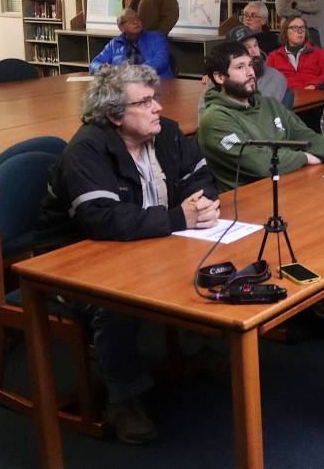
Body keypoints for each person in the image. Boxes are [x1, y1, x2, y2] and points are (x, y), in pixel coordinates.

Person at [34, 63, 220, 444]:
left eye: (156, 99)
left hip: (148, 242)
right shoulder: (87, 148)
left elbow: (201, 174)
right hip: (71, 259)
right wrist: (178, 218)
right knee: (114, 303)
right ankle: (122, 399)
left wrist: (200, 203)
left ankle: (188, 349)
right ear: (114, 115)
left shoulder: (165, 133)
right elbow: (102, 220)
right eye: (146, 102)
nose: (158, 109)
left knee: (216, 264)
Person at [198, 41, 324, 190]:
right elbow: (259, 163)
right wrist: (304, 158)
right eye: (240, 67)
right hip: (248, 202)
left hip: (289, 185)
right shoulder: (215, 119)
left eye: (250, 65)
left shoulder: (269, 104)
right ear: (219, 77)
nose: (250, 72)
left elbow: (307, 137)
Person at [197, 25, 287, 117]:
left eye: (255, 45)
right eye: (247, 47)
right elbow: (203, 110)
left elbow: (261, 117)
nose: (254, 51)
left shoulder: (274, 78)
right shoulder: (221, 75)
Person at [89, 8, 174, 78]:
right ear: (121, 28)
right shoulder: (114, 44)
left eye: (137, 18)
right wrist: (102, 68)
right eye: (130, 20)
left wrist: (135, 70)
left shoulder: (156, 37)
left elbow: (161, 61)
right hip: (125, 88)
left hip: (156, 84)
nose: (136, 22)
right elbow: (93, 64)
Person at [265, 15, 324, 90]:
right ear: (286, 32)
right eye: (295, 28)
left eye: (302, 28)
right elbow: (267, 80)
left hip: (313, 93)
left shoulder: (318, 52)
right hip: (286, 95)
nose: (300, 31)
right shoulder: (273, 56)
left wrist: (315, 84)